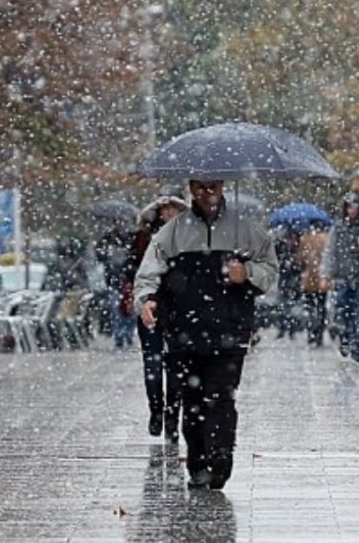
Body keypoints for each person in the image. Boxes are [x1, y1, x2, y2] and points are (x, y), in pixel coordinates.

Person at [134, 179, 277, 490]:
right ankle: (198, 463)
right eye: (198, 186)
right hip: (184, 331)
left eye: (211, 186)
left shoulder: (245, 230)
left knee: (222, 399)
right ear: (190, 187)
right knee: (192, 399)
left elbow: (269, 268)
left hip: (230, 330)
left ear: (223, 185)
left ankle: (221, 460)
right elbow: (149, 271)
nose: (205, 192)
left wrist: (247, 274)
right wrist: (146, 299)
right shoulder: (173, 231)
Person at [127, 193, 189, 441]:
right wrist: (145, 297)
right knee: (152, 362)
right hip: (151, 304)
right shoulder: (144, 238)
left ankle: (173, 414)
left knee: (175, 365)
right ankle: (156, 410)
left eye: (174, 208)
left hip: (180, 309)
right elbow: (134, 269)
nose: (170, 213)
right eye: (166, 208)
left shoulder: (189, 237)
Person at [320, 193, 359, 363]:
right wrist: (326, 274)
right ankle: (345, 338)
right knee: (343, 312)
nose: (352, 211)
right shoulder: (338, 228)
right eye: (349, 207)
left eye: (355, 207)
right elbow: (330, 252)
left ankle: (356, 347)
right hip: (343, 277)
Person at [95, 219, 136, 348]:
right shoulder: (107, 238)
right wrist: (105, 253)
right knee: (115, 310)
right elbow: (99, 254)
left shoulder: (130, 238)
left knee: (129, 310)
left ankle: (127, 334)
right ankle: (119, 336)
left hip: (128, 280)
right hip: (113, 280)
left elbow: (135, 256)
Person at [294, 224, 330, 347]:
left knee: (310, 307)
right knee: (321, 306)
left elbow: (299, 259)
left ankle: (312, 332)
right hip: (321, 278)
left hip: (309, 278)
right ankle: (319, 332)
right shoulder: (326, 238)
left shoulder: (305, 239)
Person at [274, 231, 303, 339]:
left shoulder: (299, 251)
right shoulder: (282, 249)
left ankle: (292, 330)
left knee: (293, 307)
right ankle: (282, 328)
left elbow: (301, 266)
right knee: (283, 306)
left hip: (294, 282)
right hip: (285, 281)